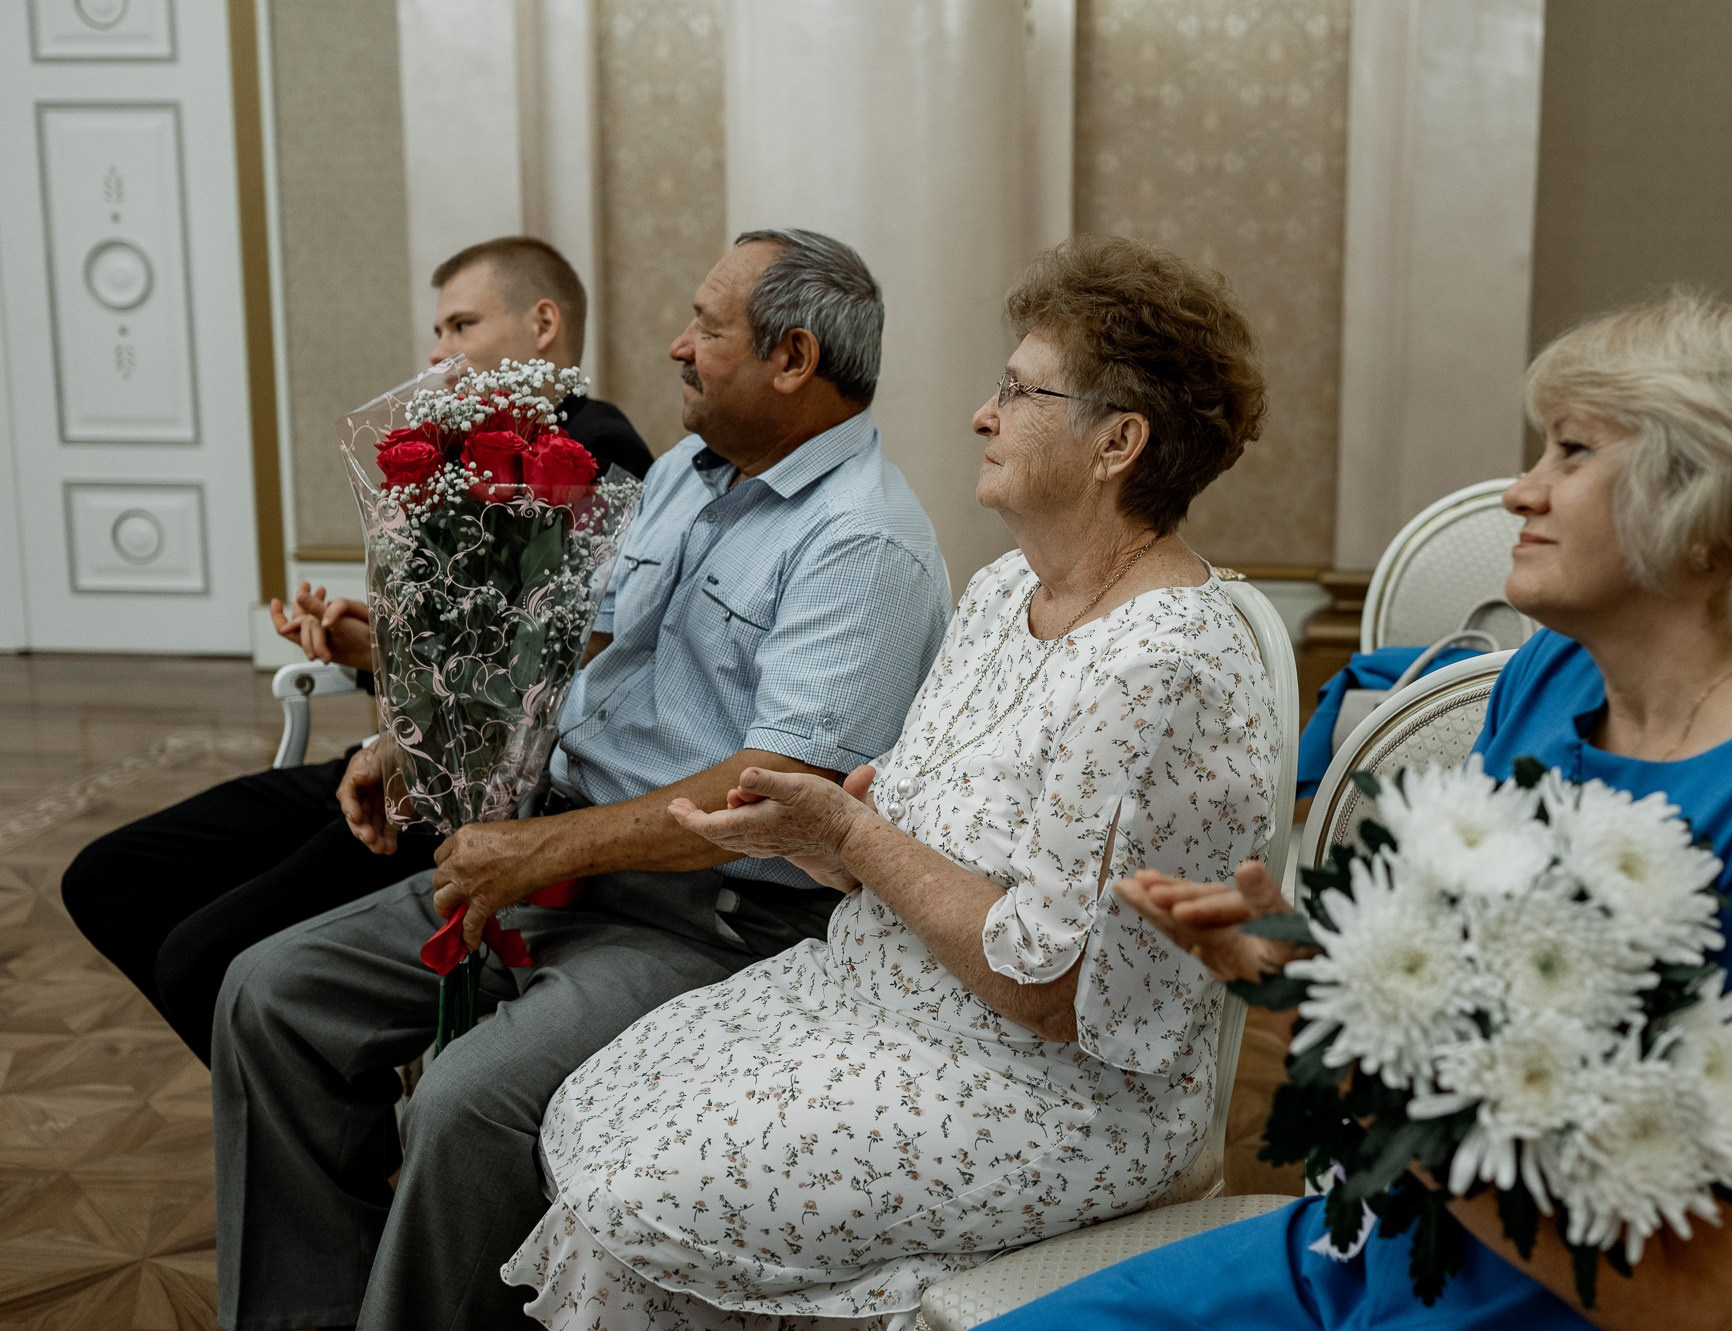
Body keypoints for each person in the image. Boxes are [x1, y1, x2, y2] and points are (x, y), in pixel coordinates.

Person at [983, 287, 1732, 1331]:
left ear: (1713, 497)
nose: (1519, 492)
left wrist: (1348, 1038)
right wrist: (1313, 970)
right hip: (1398, 1240)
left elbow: (1701, 1291)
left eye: (1571, 452)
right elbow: (1465, 998)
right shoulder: (1551, 676)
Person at [495, 234, 1284, 1330]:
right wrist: (832, 834)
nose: (981, 414)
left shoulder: (1160, 667)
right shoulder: (1005, 587)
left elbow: (1053, 988)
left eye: (1019, 391)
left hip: (1046, 1087)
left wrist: (855, 838)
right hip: (878, 994)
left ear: (1118, 441)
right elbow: (913, 835)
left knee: (636, 1194)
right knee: (589, 1112)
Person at [208, 228, 953, 1331]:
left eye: (706, 326)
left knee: (464, 1105)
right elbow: (571, 653)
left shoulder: (863, 541)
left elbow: (772, 790)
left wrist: (544, 847)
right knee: (269, 995)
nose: (676, 345)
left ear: (793, 359)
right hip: (557, 862)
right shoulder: (686, 475)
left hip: (709, 920)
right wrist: (424, 738)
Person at [61, 235, 652, 1063]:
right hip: (398, 761)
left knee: (197, 958)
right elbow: (478, 637)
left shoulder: (594, 452)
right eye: (437, 330)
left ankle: (312, 1096)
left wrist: (396, 669)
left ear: (543, 323)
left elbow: (546, 673)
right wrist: (370, 642)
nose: (439, 351)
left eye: (461, 324)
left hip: (467, 797)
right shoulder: (463, 453)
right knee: (107, 876)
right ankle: (303, 1087)